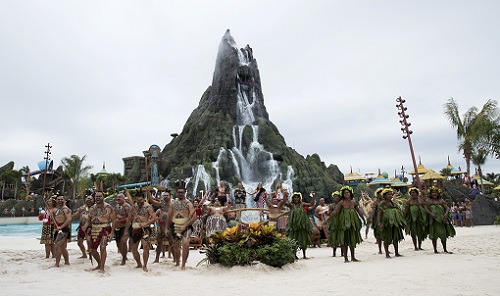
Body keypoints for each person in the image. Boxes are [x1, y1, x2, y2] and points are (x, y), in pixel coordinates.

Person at [329, 186, 365, 263]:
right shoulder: (341, 202)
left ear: (350, 193)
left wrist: (364, 219)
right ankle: (345, 258)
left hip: (352, 224)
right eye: (344, 193)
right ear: (342, 194)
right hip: (343, 224)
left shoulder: (353, 202)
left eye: (347, 192)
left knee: (352, 240)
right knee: (344, 240)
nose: (346, 194)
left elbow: (359, 212)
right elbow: (335, 211)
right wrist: (328, 219)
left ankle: (353, 257)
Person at [166, 181, 196, 270]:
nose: (180, 194)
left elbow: (194, 217)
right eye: (179, 192)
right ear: (176, 192)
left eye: (182, 192)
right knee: (176, 247)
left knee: (186, 244)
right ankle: (178, 262)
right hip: (175, 226)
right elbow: (168, 216)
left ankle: (183, 264)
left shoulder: (188, 204)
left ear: (185, 192)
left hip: (186, 227)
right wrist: (167, 228)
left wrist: (185, 225)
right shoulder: (173, 204)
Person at [83, 191, 114, 272]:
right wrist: (85, 229)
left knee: (103, 247)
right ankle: (99, 264)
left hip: (105, 229)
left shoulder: (109, 207)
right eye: (96, 196)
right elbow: (89, 220)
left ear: (103, 197)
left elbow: (114, 221)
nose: (98, 198)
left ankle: (102, 268)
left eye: (100, 196)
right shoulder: (92, 208)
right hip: (94, 229)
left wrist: (111, 233)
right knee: (92, 249)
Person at [283, 192, 316, 259]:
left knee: (303, 238)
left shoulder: (302, 204)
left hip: (302, 224)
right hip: (293, 225)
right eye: (295, 197)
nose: (296, 198)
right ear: (292, 198)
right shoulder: (291, 205)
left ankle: (304, 255)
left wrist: (313, 197)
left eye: (297, 197)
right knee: (293, 239)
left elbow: (311, 204)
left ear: (300, 198)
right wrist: (284, 196)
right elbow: (284, 203)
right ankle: (294, 254)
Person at [129, 191, 156, 272]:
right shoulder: (134, 207)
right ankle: (139, 264)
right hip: (135, 228)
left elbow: (154, 218)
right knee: (133, 248)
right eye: (137, 201)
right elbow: (130, 217)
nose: (139, 202)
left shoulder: (148, 207)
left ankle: (145, 265)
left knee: (146, 247)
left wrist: (146, 224)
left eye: (141, 201)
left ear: (143, 199)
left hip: (145, 229)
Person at [424, 186, 456, 254]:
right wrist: (431, 214)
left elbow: (446, 208)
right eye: (433, 192)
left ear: (438, 193)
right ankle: (435, 250)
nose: (434, 194)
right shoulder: (428, 201)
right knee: (434, 235)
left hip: (442, 220)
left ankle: (445, 249)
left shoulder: (441, 200)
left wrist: (446, 214)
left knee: (443, 234)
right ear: (430, 194)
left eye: (435, 192)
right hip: (433, 220)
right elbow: (426, 209)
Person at [377, 188, 406, 258]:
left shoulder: (393, 202)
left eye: (391, 194)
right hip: (387, 222)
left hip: (395, 222)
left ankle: (396, 253)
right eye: (388, 194)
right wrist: (379, 222)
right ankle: (387, 253)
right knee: (387, 237)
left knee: (395, 237)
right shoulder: (383, 203)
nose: (390, 195)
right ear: (384, 195)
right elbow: (379, 213)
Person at [148, 189, 172, 263]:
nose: (165, 197)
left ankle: (174, 258)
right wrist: (148, 192)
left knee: (172, 242)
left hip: (170, 226)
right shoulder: (161, 205)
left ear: (170, 196)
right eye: (164, 195)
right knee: (159, 243)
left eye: (167, 195)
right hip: (161, 226)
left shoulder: (173, 205)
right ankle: (157, 259)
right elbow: (153, 201)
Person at [51, 195, 72, 267]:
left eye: (61, 199)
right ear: (56, 201)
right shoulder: (55, 209)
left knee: (57, 246)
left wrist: (61, 227)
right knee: (62, 247)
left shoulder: (66, 209)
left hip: (64, 229)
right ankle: (67, 262)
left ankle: (57, 264)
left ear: (64, 200)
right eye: (58, 199)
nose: (60, 201)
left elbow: (69, 219)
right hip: (58, 228)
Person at [114, 192, 131, 265]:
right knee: (118, 244)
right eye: (117, 197)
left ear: (124, 198)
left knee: (123, 242)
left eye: (120, 197)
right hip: (117, 227)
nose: (118, 199)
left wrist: (121, 220)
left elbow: (129, 218)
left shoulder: (127, 207)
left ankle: (124, 259)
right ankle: (124, 255)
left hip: (125, 227)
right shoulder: (116, 206)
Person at [367, 188, 384, 254]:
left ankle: (386, 249)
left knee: (386, 234)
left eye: (381, 193)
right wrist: (371, 218)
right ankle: (380, 249)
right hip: (377, 219)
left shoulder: (386, 200)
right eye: (379, 193)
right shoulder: (376, 201)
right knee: (378, 235)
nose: (380, 194)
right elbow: (373, 211)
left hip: (385, 219)